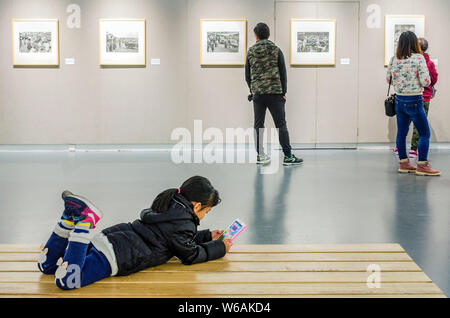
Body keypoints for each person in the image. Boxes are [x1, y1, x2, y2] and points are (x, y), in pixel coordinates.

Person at [37, 176, 232, 290]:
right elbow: (190, 254)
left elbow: (174, 238)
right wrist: (219, 248)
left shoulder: (168, 203)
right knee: (68, 281)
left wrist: (207, 236)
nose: (205, 216)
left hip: (110, 239)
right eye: (206, 211)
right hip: (116, 258)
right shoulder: (184, 224)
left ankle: (68, 220)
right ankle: (84, 223)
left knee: (49, 266)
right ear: (197, 206)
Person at [245, 22, 303, 166]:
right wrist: (284, 92)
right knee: (281, 125)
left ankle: (260, 155)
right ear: (268, 34)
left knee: (258, 125)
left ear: (256, 35)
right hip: (275, 93)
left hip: (258, 94)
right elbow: (283, 73)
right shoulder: (276, 50)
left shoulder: (251, 51)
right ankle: (288, 156)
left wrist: (252, 90)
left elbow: (247, 75)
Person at [386, 31, 440, 176]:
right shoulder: (419, 58)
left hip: (399, 100)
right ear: (414, 43)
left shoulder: (394, 59)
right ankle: (422, 165)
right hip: (415, 100)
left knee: (402, 133)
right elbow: (426, 81)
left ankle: (404, 163)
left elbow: (388, 79)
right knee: (424, 133)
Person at [409, 38, 438, 159]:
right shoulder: (429, 63)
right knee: (420, 124)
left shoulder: (411, 60)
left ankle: (400, 147)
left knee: (405, 121)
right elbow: (434, 79)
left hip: (411, 95)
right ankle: (414, 149)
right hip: (425, 97)